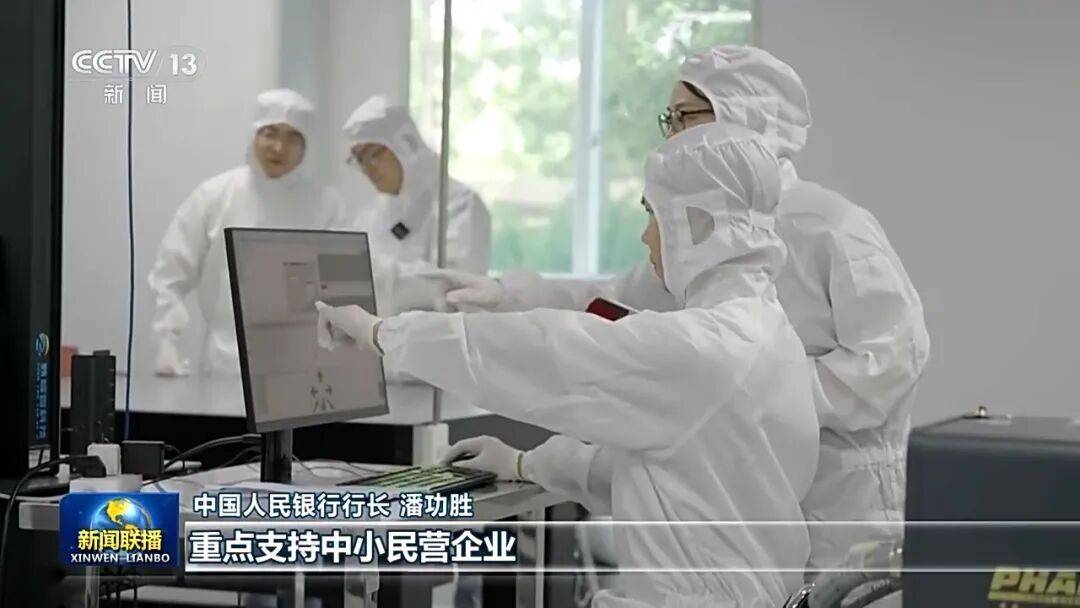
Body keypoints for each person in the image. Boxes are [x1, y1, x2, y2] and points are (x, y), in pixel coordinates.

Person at [432, 45, 931, 574]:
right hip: (748, 505)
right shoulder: (705, 226)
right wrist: (510, 295)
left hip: (843, 510)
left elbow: (891, 363)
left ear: (744, 115)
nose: (671, 135)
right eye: (668, 119)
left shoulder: (832, 225)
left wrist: (762, 390)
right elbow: (613, 306)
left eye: (684, 116)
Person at [317, 122, 820, 607]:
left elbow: (549, 350)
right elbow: (661, 474)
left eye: (653, 216)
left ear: (699, 223)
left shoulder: (710, 348)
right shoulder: (767, 331)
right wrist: (523, 464)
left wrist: (384, 333)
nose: (647, 238)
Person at [148, 88, 351, 376]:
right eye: (270, 133)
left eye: (292, 137)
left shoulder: (327, 205)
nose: (278, 147)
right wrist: (166, 338)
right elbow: (170, 272)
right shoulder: (215, 196)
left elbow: (343, 289)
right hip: (225, 366)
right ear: (254, 135)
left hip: (305, 369)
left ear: (306, 145)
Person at [342, 95, 491, 279]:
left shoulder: (460, 205)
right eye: (359, 160)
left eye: (372, 155)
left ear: (406, 144)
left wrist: (382, 276)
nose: (367, 169)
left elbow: (456, 284)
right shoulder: (375, 212)